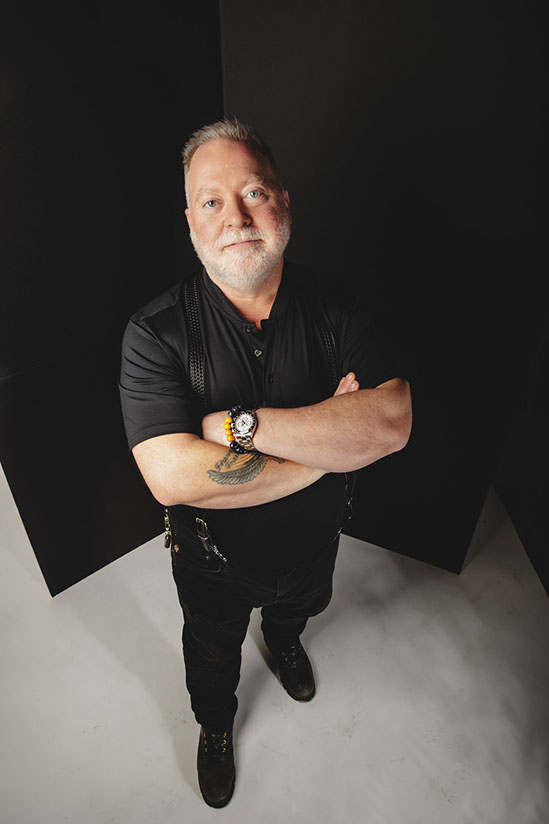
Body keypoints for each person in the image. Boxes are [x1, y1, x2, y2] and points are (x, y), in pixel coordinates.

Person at [119, 118, 412, 808]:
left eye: (253, 192)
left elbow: (391, 422)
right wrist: (327, 448)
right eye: (212, 200)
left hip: (314, 543)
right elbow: (170, 476)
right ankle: (216, 725)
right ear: (190, 221)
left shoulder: (337, 308)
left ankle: (282, 640)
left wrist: (234, 429)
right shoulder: (154, 334)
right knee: (212, 655)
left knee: (299, 611)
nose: (236, 217)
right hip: (211, 561)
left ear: (283, 199)